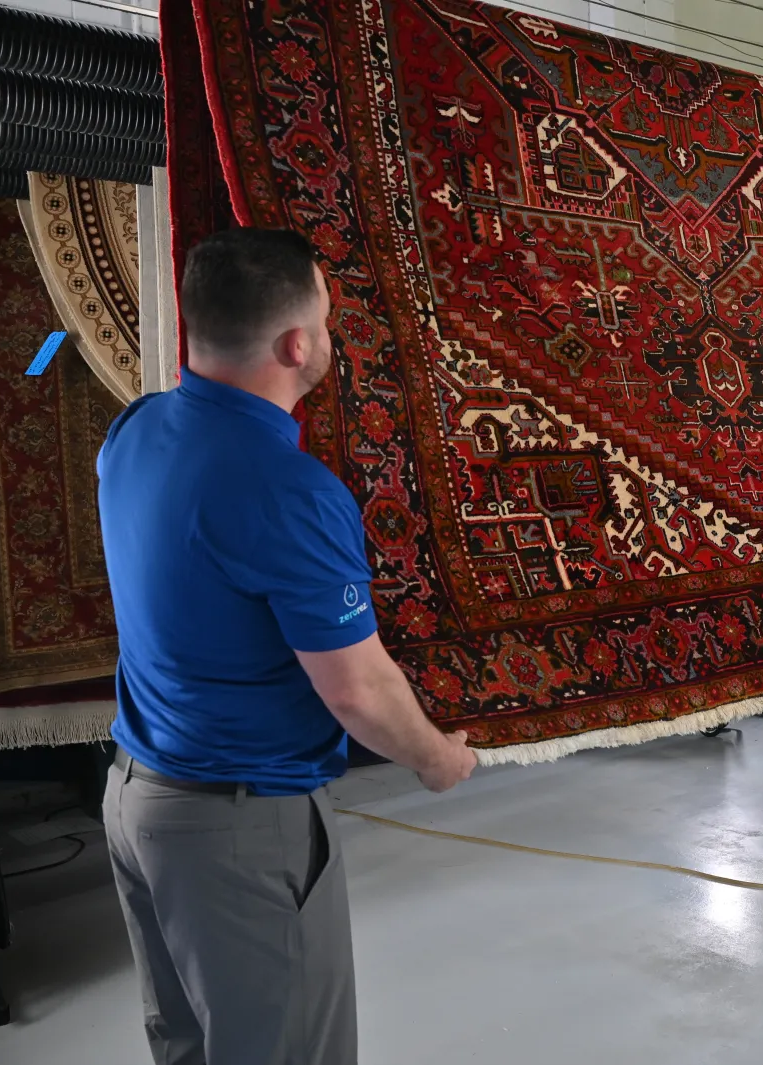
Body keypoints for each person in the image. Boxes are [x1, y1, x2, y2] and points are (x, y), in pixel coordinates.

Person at [98, 228, 478, 1065]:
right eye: (327, 319)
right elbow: (356, 689)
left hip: (135, 799)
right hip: (234, 825)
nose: (331, 336)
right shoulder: (289, 492)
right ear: (296, 344)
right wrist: (435, 758)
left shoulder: (135, 429)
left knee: (190, 1044)